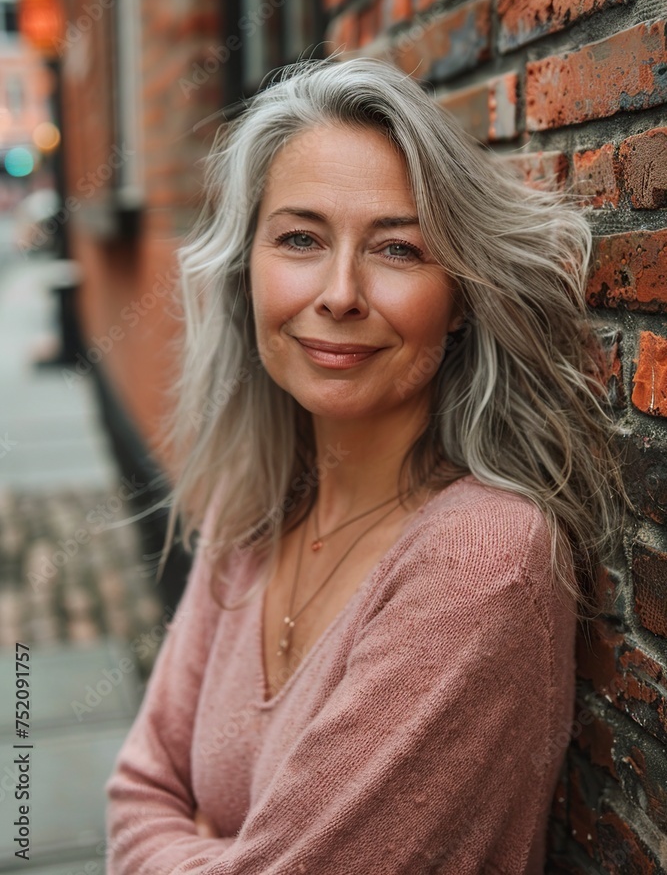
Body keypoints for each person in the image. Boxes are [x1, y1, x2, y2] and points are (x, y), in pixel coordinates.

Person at [104, 54, 626, 874]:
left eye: (396, 250)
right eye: (301, 238)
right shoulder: (256, 511)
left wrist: (205, 840)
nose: (340, 293)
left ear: (459, 299)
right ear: (248, 276)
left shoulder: (480, 560)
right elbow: (136, 791)